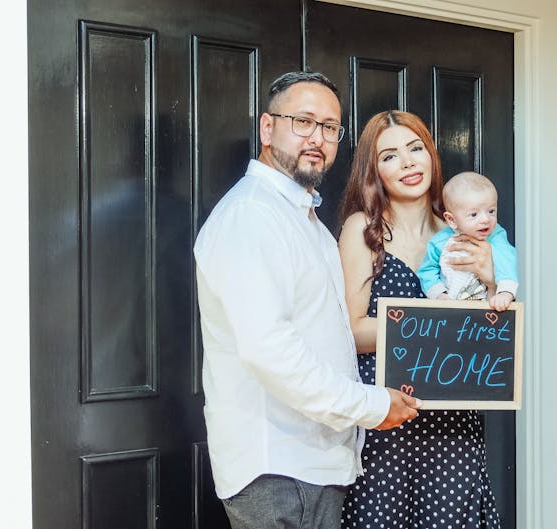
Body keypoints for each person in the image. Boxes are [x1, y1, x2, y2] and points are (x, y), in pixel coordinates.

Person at [194, 72, 421, 529]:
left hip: (313, 464)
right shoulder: (251, 217)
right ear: (267, 128)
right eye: (303, 121)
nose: (317, 138)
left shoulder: (306, 221)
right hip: (276, 468)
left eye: (330, 127)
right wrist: (371, 407)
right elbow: (269, 349)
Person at [337, 110, 503, 528]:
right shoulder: (363, 230)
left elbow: (489, 338)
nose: (408, 162)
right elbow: (351, 332)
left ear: (431, 155)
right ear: (374, 171)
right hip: (384, 419)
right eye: (390, 155)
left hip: (453, 422)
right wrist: (431, 324)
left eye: (415, 149)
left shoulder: (466, 232)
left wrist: (488, 283)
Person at [417, 171, 519, 311]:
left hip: (486, 309)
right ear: (451, 220)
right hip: (451, 309)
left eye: (491, 211)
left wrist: (504, 292)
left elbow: (507, 260)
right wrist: (439, 295)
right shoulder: (440, 242)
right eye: (474, 214)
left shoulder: (496, 235)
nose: (485, 219)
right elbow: (427, 271)